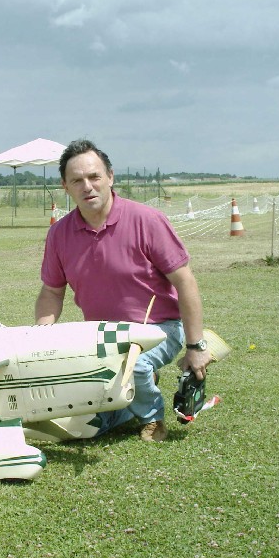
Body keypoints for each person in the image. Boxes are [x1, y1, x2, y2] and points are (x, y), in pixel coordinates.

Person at [35, 139, 212, 442]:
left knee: (134, 364)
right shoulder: (59, 234)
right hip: (102, 335)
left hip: (160, 328)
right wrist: (40, 339)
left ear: (110, 177)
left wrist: (196, 346)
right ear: (65, 186)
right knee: (86, 421)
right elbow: (51, 292)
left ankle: (153, 418)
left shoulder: (147, 220)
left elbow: (185, 282)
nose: (87, 186)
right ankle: (124, 406)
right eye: (77, 180)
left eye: (94, 176)